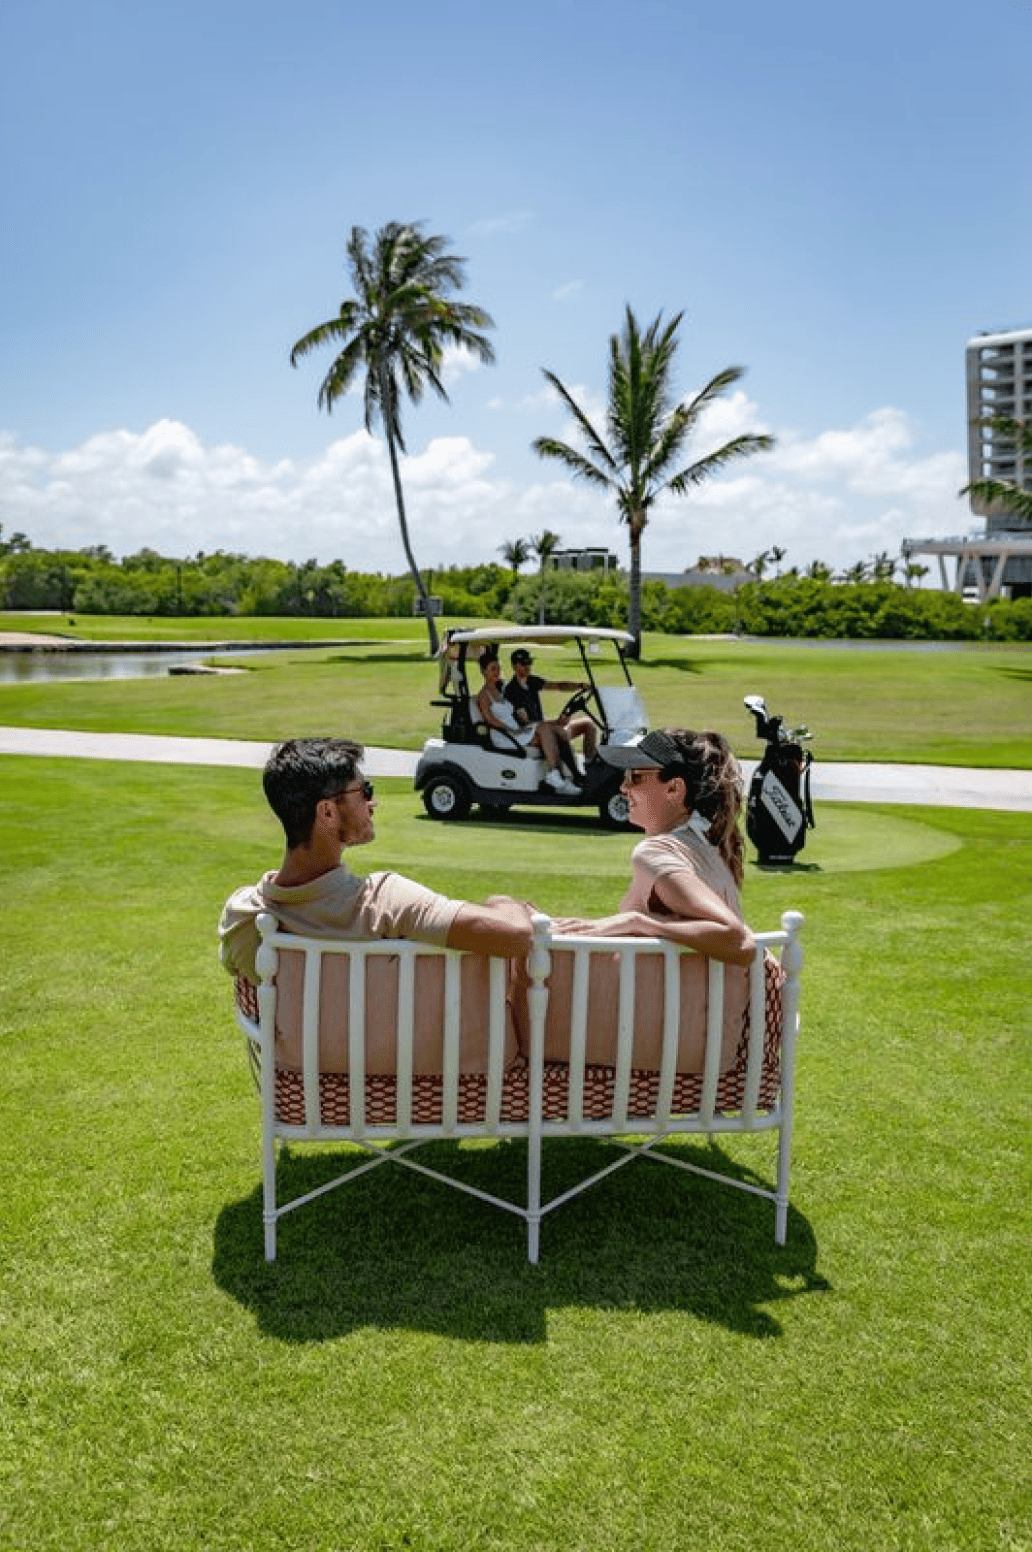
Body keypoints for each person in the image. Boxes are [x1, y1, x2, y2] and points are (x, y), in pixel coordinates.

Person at [219, 737, 534, 987]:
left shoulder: (242, 919)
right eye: (364, 792)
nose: (373, 803)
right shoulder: (385, 902)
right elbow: (516, 935)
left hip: (296, 1052)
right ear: (327, 812)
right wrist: (505, 902)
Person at [532, 728, 755, 1073]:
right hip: (709, 1040)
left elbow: (735, 938)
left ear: (674, 789)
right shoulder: (711, 848)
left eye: (636, 778)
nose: (623, 788)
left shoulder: (656, 853)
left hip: (677, 1046)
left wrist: (639, 923)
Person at [475, 655, 580, 796]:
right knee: (544, 728)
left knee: (556, 730)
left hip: (516, 731)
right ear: (483, 671)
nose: (497, 672)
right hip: (504, 735)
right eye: (493, 669)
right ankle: (557, 776)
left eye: (498, 668)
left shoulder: (502, 688)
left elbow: (516, 706)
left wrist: (522, 720)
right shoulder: (484, 695)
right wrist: (511, 729)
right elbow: (490, 719)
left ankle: (568, 776)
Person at [504, 647, 599, 767]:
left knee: (588, 724)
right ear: (514, 666)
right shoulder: (511, 691)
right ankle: (567, 771)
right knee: (560, 732)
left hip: (547, 728)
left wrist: (579, 686)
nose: (527, 666)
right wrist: (556, 723)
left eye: (529, 662)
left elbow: (558, 686)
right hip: (532, 735)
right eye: (523, 664)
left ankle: (590, 765)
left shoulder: (531, 681)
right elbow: (528, 723)